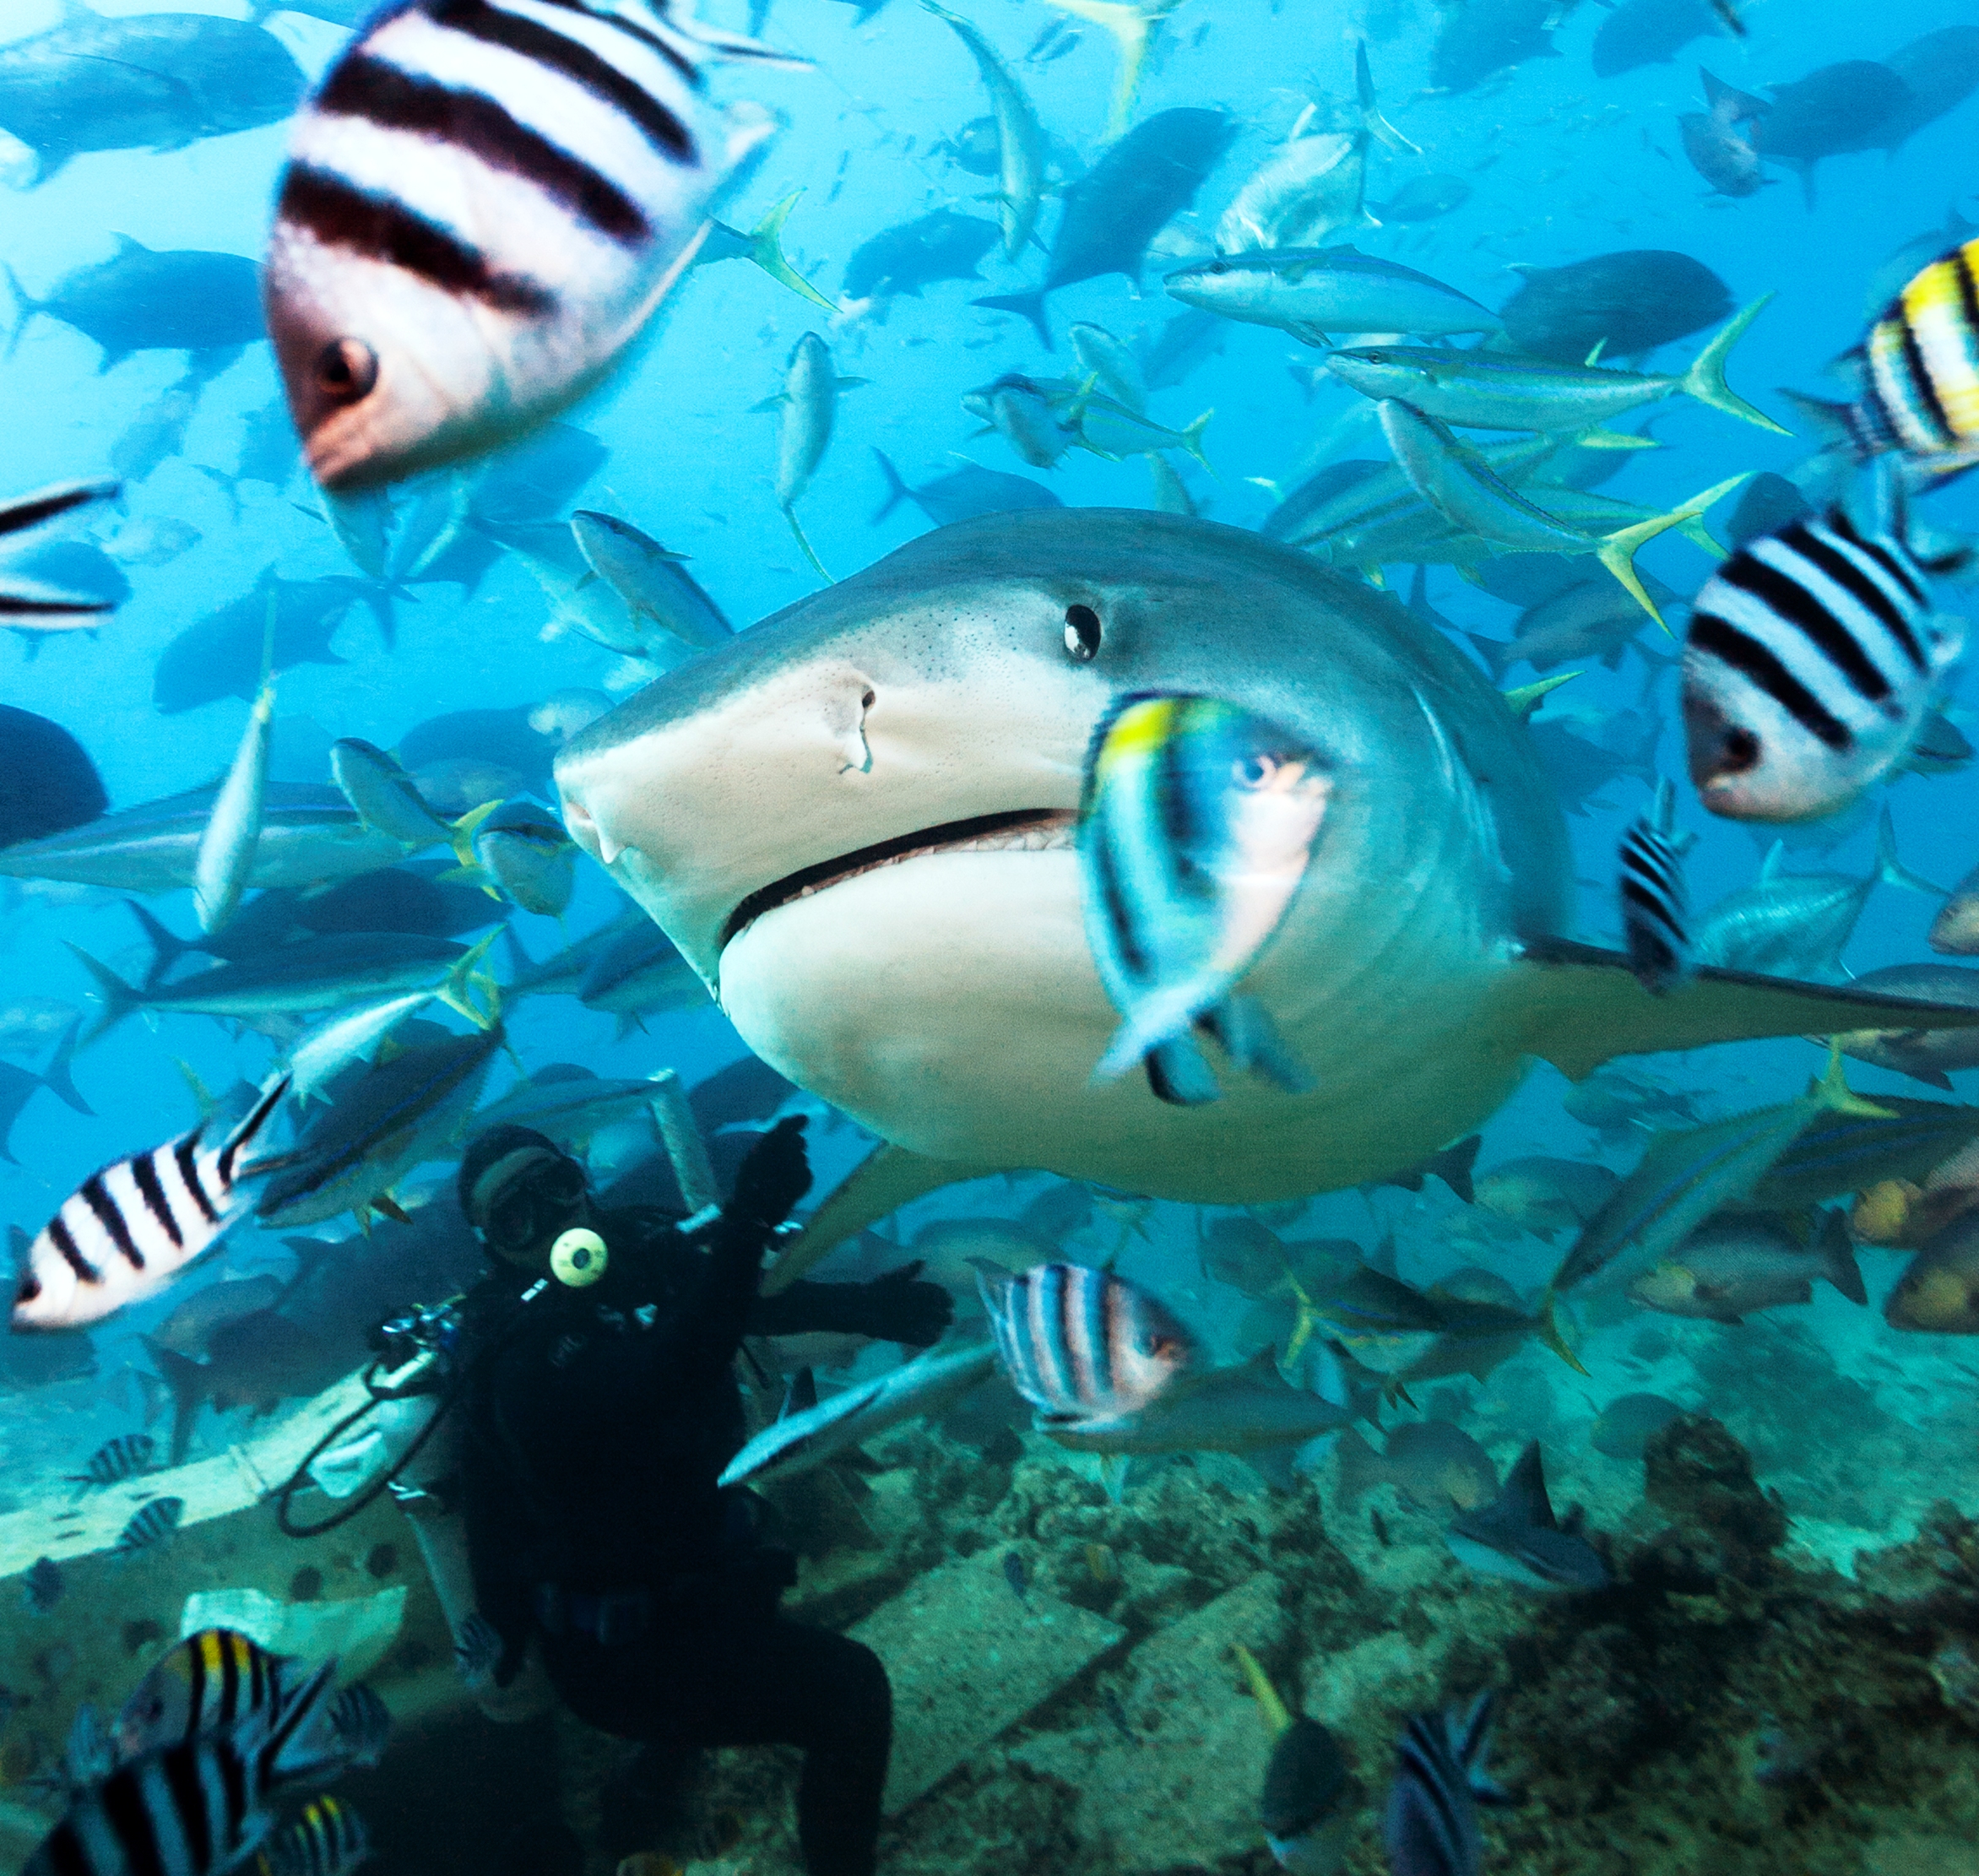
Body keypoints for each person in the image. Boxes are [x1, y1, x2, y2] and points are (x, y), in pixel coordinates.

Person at [453, 1117, 949, 1876]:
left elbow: (733, 1301)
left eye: (555, 1186)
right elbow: (664, 1372)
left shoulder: (637, 1244)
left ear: (581, 1177)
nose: (552, 1218)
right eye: (516, 1216)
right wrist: (745, 1223)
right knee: (851, 1693)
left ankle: (641, 1796)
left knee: (726, 1695)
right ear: (492, 1244)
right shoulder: (517, 1356)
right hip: (619, 1655)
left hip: (711, 1588)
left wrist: (863, 1308)